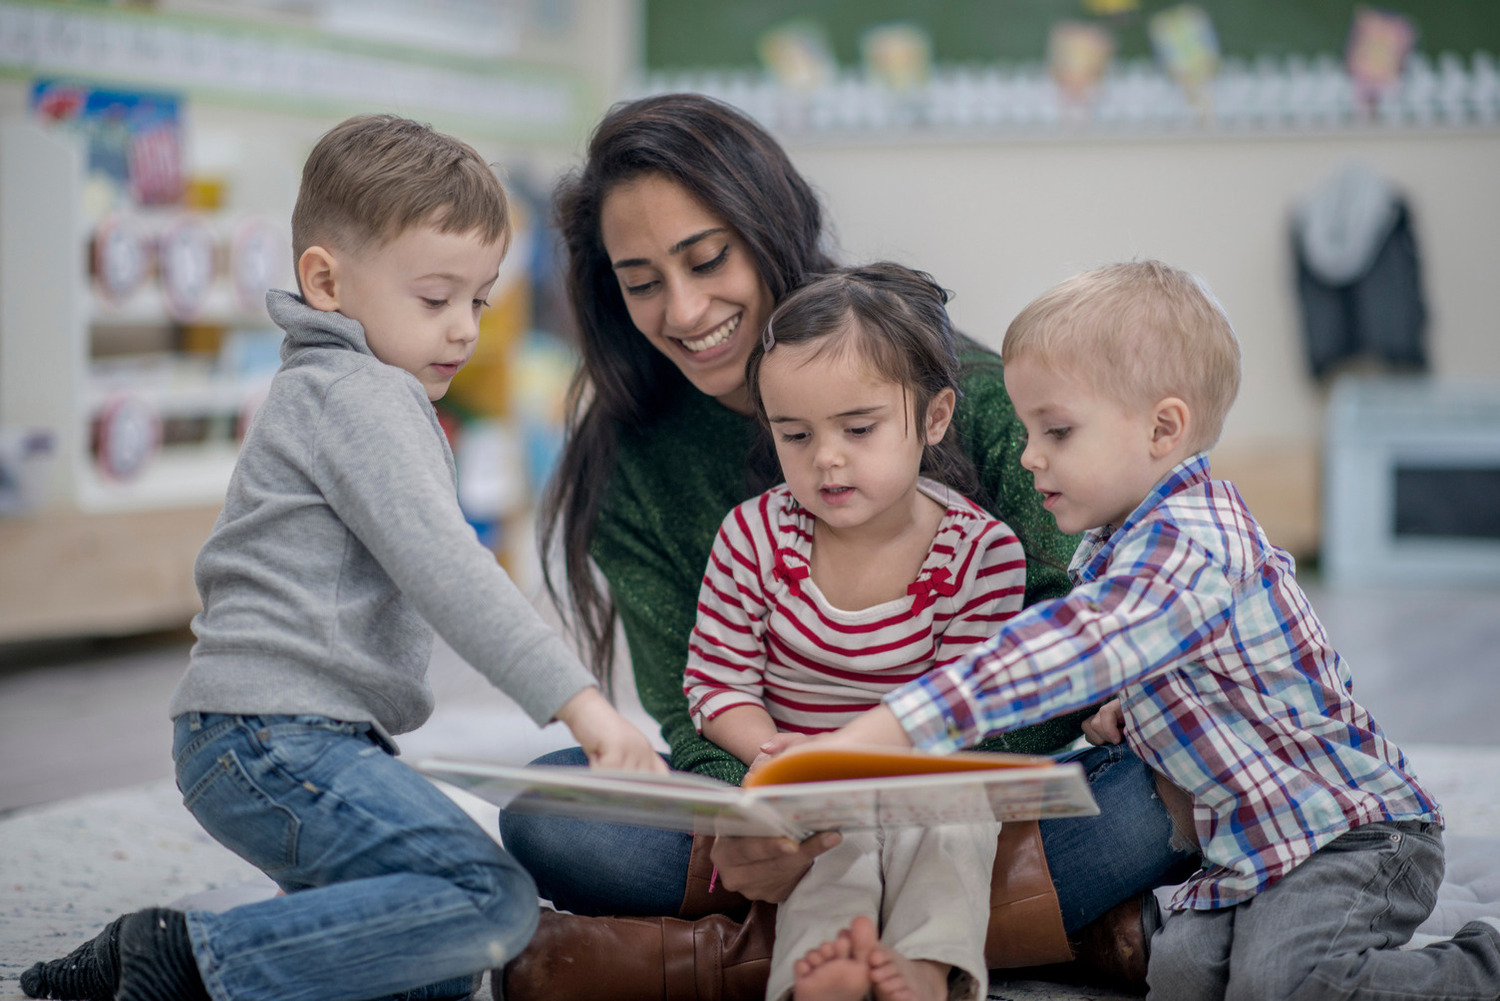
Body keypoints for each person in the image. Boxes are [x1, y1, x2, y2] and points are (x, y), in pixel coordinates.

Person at [496, 92, 1197, 1001]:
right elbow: (696, 700)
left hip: (973, 786)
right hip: (778, 798)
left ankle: (721, 958)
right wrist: (756, 822)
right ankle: (1060, 929)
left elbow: (1062, 641)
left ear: (767, 227)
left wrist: (887, 791)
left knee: (1174, 787)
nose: (685, 307)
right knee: (557, 809)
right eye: (641, 281)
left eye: (708, 259)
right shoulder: (634, 460)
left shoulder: (959, 386)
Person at [21, 114, 664, 1001]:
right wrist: (585, 707)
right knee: (489, 898)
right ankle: (186, 959)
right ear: (325, 280)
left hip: (268, 737)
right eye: (435, 298)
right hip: (273, 737)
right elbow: (450, 569)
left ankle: (168, 961)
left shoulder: (332, 386)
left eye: (478, 301)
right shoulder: (364, 396)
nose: (465, 330)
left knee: (431, 966)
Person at [801, 259, 1500, 1001]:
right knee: (1181, 973)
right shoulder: (1121, 546)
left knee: (1285, 985)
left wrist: (897, 726)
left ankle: (1479, 966)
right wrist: (1125, 712)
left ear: (1164, 427)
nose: (1031, 453)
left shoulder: (1195, 539)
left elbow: (1079, 643)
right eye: (1030, 427)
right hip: (1251, 848)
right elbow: (1166, 666)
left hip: (1351, 833)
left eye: (1057, 430)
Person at [685, 263, 1028, 1001]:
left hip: (918, 777)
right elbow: (716, 685)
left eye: (858, 428)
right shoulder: (751, 536)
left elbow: (963, 707)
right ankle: (825, 971)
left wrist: (862, 758)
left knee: (956, 816)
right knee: (825, 847)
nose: (826, 458)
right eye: (795, 434)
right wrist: (775, 751)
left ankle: (926, 965)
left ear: (934, 418)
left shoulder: (981, 550)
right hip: (805, 783)